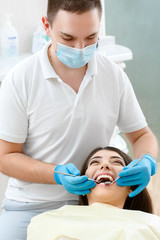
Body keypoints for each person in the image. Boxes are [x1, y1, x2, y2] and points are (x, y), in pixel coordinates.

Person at [0, 0, 158, 239]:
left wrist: (147, 160)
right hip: (31, 205)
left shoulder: (112, 75)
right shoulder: (20, 80)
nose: (81, 48)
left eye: (91, 37)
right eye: (68, 38)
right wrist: (56, 174)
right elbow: (5, 157)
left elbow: (141, 135)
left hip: (91, 204)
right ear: (47, 27)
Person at [27, 147, 160, 240]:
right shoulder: (45, 223)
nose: (105, 165)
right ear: (80, 182)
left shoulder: (153, 226)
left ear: (131, 186)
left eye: (117, 162)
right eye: (95, 162)